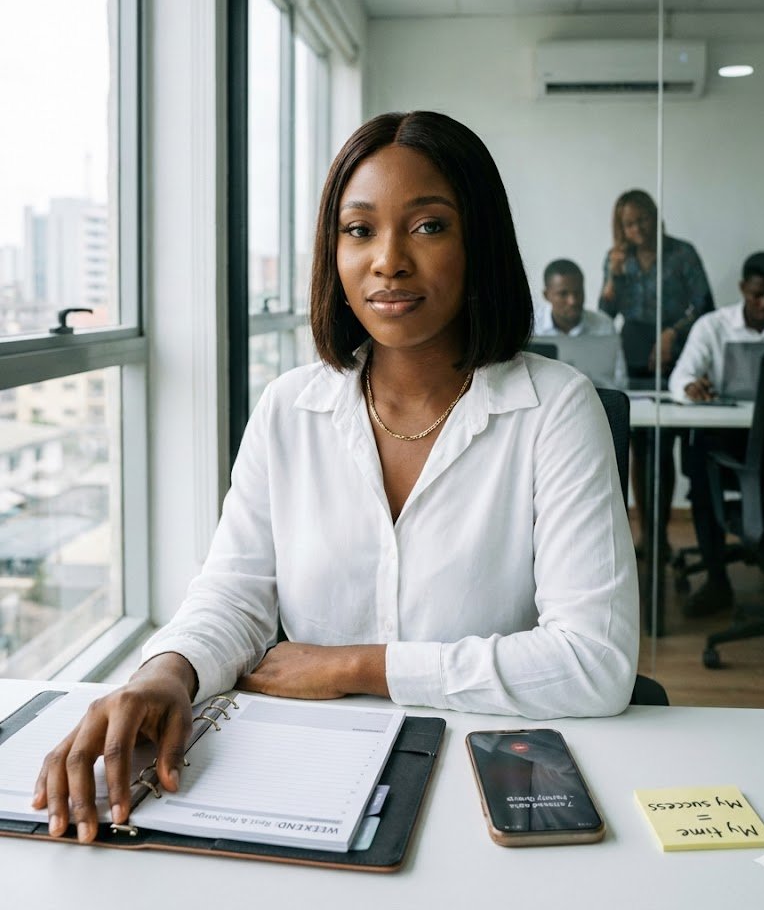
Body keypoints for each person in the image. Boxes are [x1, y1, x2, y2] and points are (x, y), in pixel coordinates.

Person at [34, 111, 639, 843]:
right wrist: (169, 671)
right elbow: (235, 593)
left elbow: (593, 662)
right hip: (302, 777)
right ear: (334, 250)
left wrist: (357, 666)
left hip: (486, 787)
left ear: (479, 241)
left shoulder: (555, 409)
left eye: (428, 226)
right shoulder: (291, 408)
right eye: (359, 230)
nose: (388, 260)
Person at [669, 250, 764, 616]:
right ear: (742, 288)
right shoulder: (713, 325)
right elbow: (680, 375)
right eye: (757, 294)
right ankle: (717, 581)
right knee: (698, 457)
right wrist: (691, 387)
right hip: (728, 439)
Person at [598, 189, 714, 558]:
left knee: (665, 446)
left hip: (675, 355)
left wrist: (673, 332)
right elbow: (604, 315)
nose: (638, 229)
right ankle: (646, 534)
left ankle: (660, 533)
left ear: (655, 216)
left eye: (643, 219)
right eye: (629, 224)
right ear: (621, 228)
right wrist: (613, 278)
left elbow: (705, 305)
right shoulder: (616, 259)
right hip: (632, 353)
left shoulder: (682, 253)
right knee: (639, 446)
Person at [534, 258, 628, 388]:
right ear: (546, 295)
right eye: (563, 294)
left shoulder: (604, 325)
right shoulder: (531, 327)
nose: (572, 301)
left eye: (577, 293)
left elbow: (620, 382)